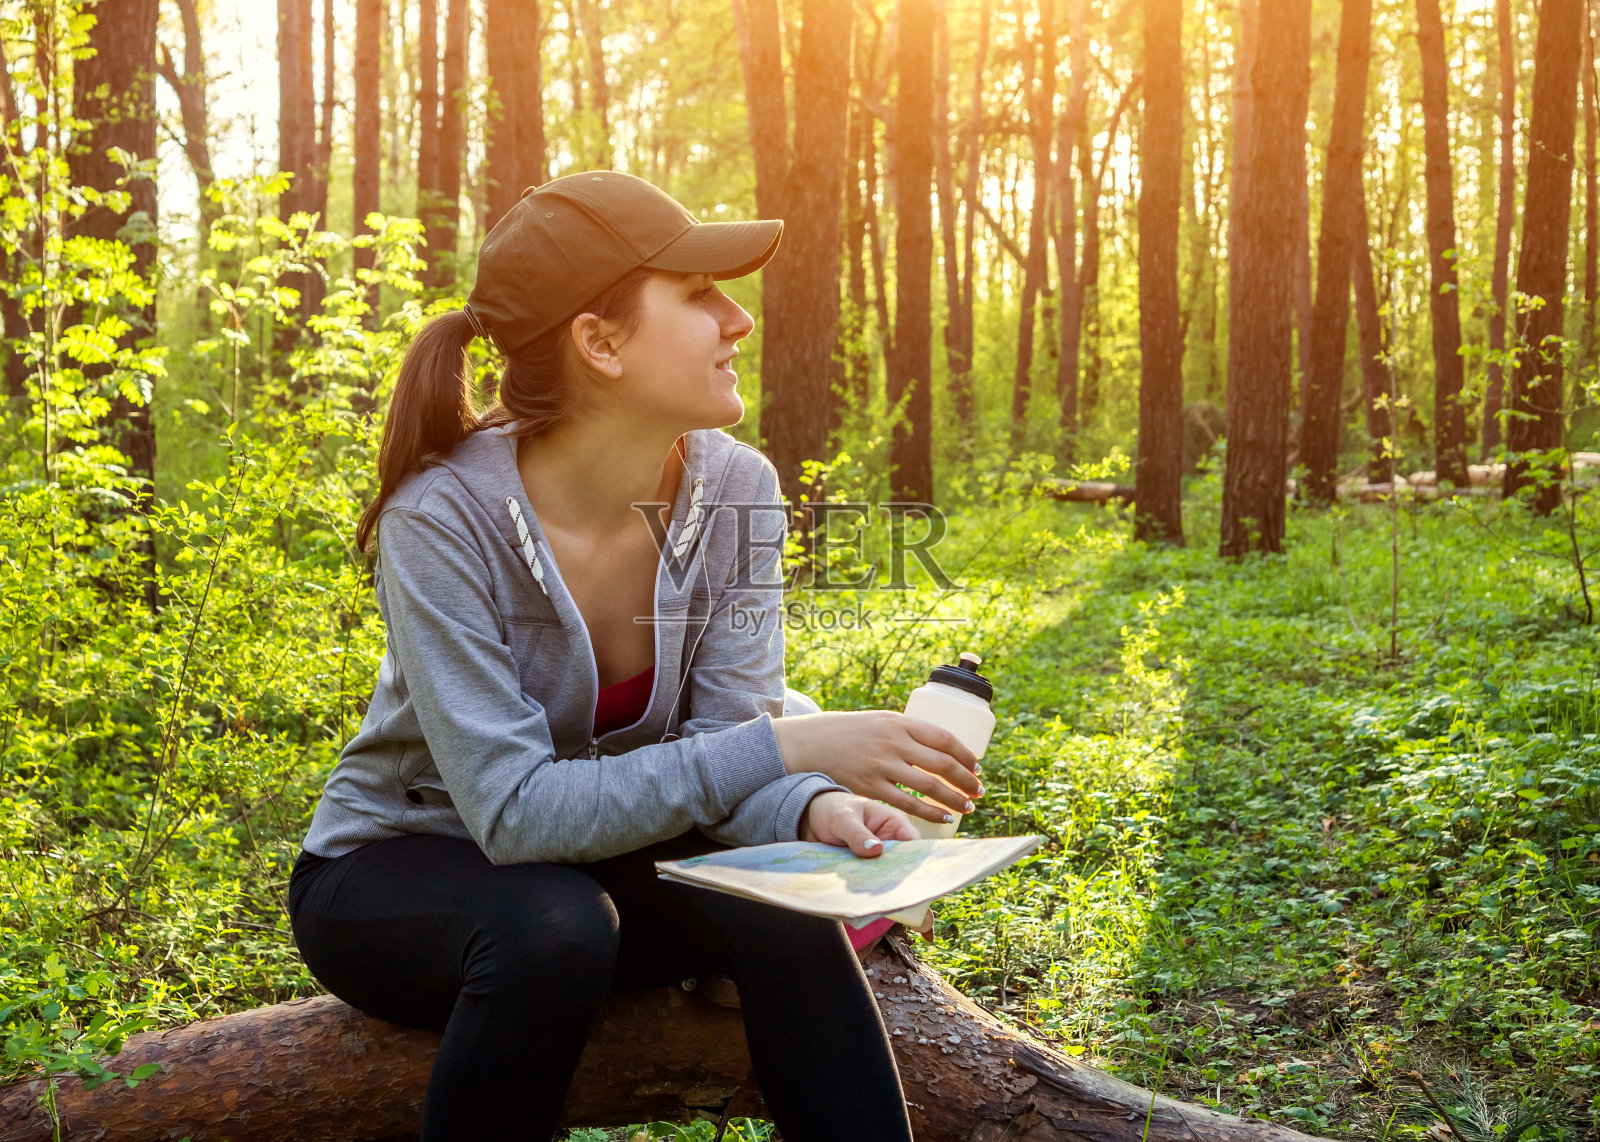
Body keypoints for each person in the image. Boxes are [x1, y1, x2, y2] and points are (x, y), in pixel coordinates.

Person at [287, 171, 985, 1141]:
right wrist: (791, 748)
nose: (737, 319)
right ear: (599, 341)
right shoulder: (440, 519)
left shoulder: (738, 487)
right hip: (400, 871)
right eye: (699, 294)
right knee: (552, 924)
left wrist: (815, 805)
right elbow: (516, 812)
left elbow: (722, 747)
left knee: (782, 907)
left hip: (600, 863)